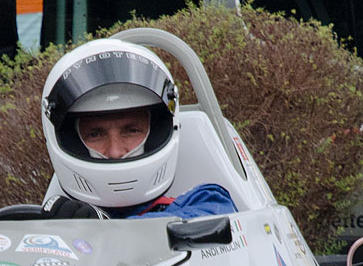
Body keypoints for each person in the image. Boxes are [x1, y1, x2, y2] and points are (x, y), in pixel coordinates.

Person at [38, 38, 237, 220]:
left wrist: (103, 229)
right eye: (96, 134)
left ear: (157, 130)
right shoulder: (62, 220)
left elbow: (217, 219)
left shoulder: (208, 203)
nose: (115, 151)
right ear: (72, 139)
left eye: (131, 131)